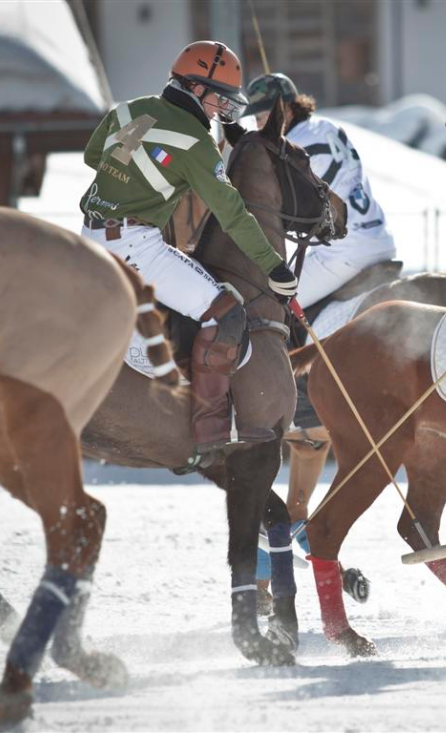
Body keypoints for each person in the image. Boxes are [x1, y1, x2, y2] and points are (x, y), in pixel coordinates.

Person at [78, 41, 299, 465]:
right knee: (226, 311)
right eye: (218, 97)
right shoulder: (196, 142)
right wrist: (273, 266)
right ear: (195, 88)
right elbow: (232, 214)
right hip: (133, 247)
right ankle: (211, 433)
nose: (221, 108)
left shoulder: (127, 108)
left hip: (88, 240)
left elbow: (94, 156)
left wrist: (138, 178)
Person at [243, 72, 396, 308]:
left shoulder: (292, 149)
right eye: (256, 119)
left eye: (264, 115)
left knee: (265, 304)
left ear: (286, 109)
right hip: (379, 239)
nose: (259, 124)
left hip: (343, 251)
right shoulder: (326, 126)